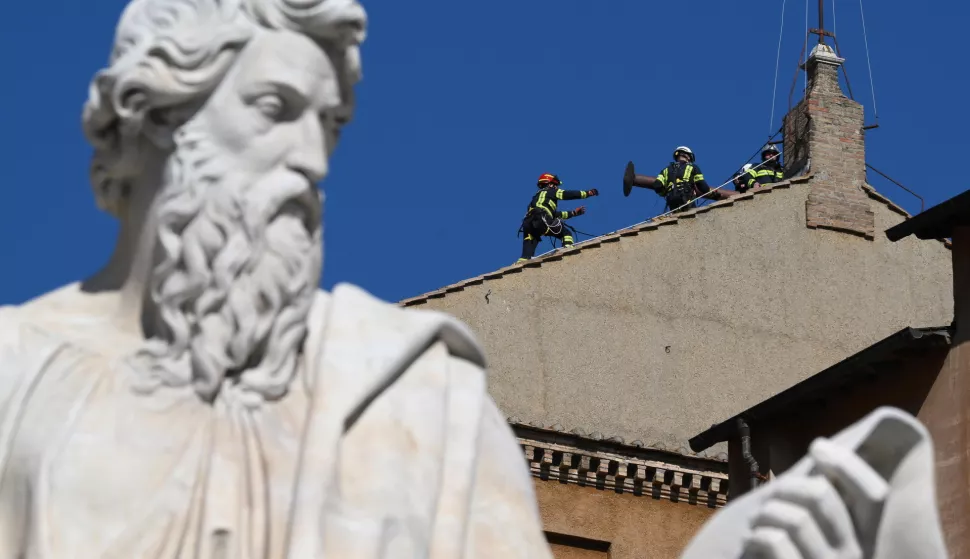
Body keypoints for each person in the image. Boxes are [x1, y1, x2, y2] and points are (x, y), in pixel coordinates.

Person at [0, 0, 554, 557]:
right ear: (156, 114)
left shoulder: (424, 406)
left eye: (330, 124)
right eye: (274, 107)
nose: (314, 160)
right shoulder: (15, 371)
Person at [624, 146, 735, 212]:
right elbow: (702, 185)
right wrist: (714, 195)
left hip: (672, 201)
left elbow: (657, 186)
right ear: (688, 156)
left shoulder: (666, 170)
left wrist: (665, 191)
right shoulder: (692, 167)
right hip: (686, 200)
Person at [518, 173, 598, 262]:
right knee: (566, 233)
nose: (557, 187)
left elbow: (555, 214)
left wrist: (573, 213)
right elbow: (569, 194)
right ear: (550, 184)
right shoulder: (551, 191)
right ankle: (569, 252)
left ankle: (522, 263)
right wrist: (588, 193)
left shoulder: (537, 199)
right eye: (556, 185)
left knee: (529, 244)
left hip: (528, 223)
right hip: (542, 218)